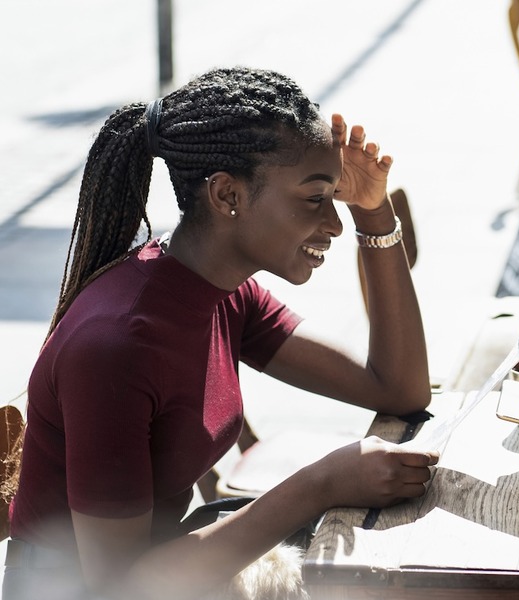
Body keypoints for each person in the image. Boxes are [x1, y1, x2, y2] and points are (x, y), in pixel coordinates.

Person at [3, 66, 439, 600]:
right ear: (228, 195)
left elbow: (398, 389)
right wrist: (322, 481)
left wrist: (374, 210)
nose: (334, 223)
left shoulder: (224, 291)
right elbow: (119, 587)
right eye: (314, 198)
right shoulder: (117, 345)